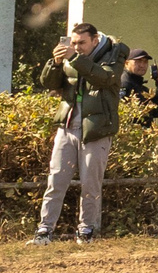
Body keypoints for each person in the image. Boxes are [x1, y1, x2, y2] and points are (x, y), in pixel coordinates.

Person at [32, 23, 126, 244]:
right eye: (73, 43)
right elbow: (48, 83)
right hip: (67, 128)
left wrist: (74, 58)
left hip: (96, 131)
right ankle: (44, 231)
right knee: (56, 180)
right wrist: (54, 64)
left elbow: (104, 78)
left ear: (95, 40)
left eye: (82, 43)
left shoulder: (115, 52)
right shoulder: (71, 56)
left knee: (90, 184)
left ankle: (86, 230)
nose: (77, 47)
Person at [119, 48, 158, 126]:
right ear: (126, 63)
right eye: (138, 61)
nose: (142, 65)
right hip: (129, 134)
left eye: (145, 62)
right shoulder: (124, 84)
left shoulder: (140, 87)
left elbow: (155, 112)